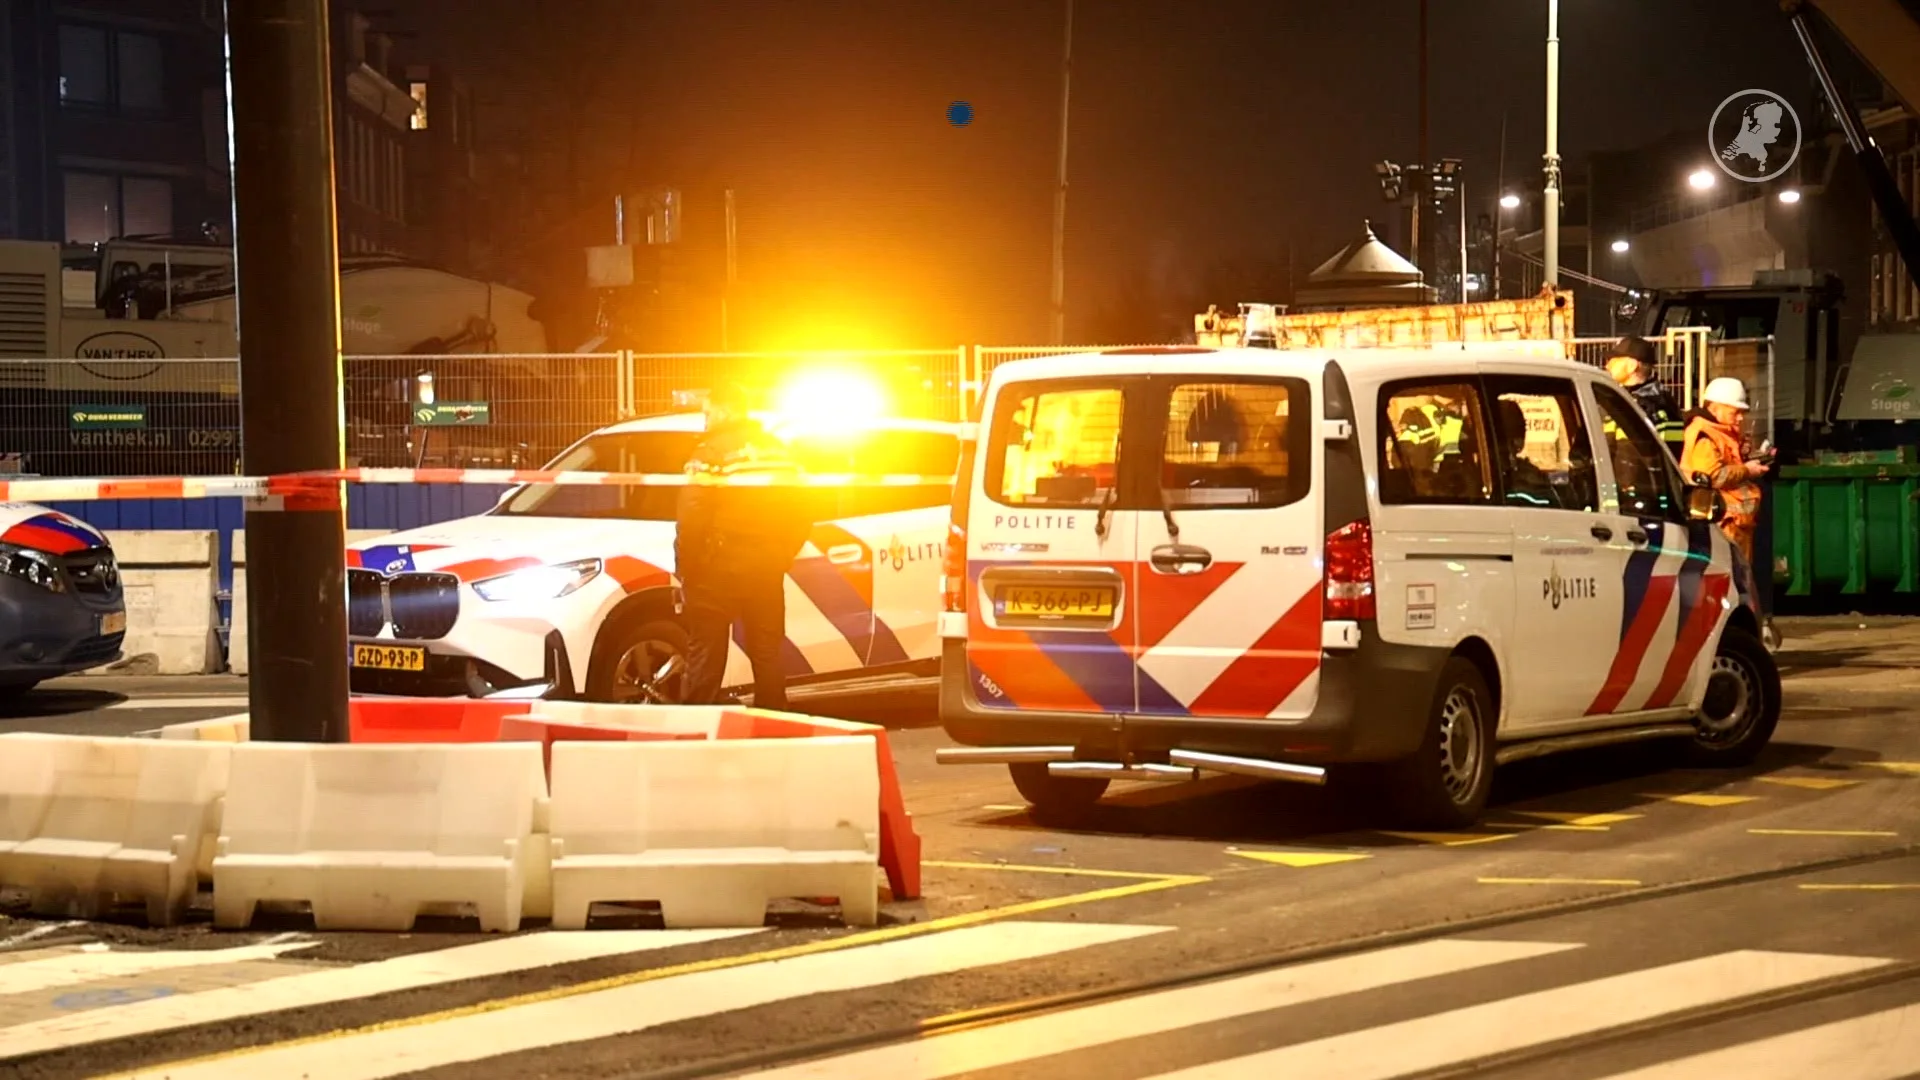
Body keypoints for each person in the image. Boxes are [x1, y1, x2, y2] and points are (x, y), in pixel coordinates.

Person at [673, 384, 817, 710]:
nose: (705, 420)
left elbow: (691, 516)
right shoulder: (779, 452)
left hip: (716, 567)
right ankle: (774, 724)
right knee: (767, 652)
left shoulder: (709, 453)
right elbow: (804, 509)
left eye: (708, 412)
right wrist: (782, 552)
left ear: (725, 410)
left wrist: (688, 569)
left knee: (706, 651)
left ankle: (698, 726)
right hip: (766, 566)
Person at [1682, 376, 1771, 600]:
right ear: (1714, 407)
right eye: (1735, 412)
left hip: (1733, 524)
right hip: (1723, 523)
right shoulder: (1705, 435)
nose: (1740, 418)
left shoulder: (1719, 431)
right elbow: (1713, 476)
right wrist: (1748, 470)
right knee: (1730, 587)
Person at [1605, 336, 1686, 459]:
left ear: (1632, 366)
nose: (1607, 366)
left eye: (1614, 360)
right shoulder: (1660, 402)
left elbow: (1632, 461)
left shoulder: (1647, 406)